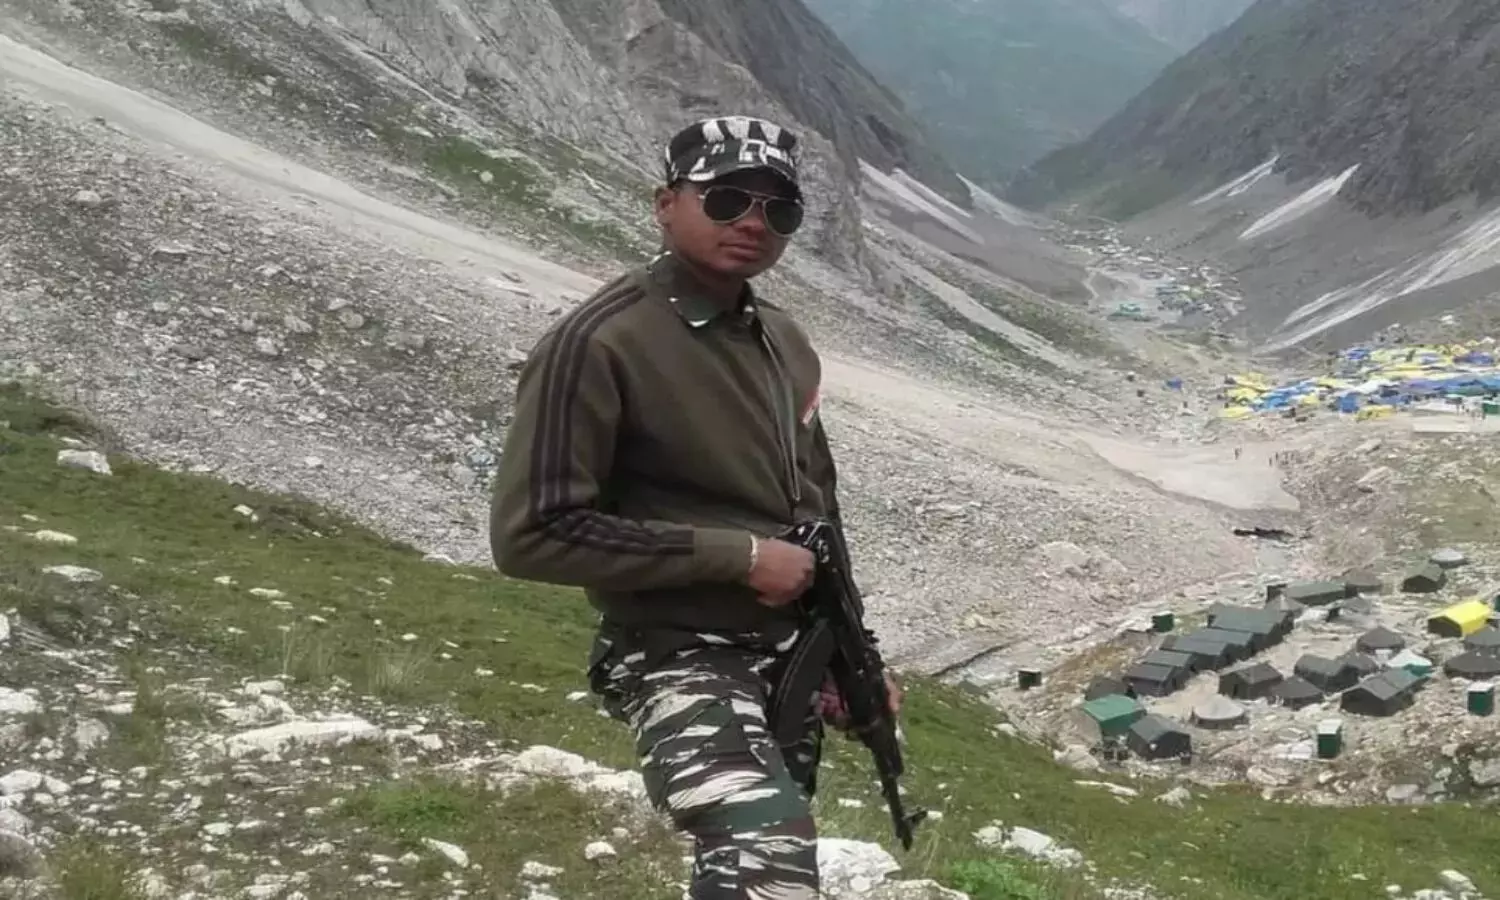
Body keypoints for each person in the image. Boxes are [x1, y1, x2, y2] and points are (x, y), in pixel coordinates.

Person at [489, 115, 898, 899]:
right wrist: (738, 558)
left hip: (788, 656)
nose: (754, 222)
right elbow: (532, 533)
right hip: (674, 652)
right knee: (766, 851)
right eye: (727, 198)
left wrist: (854, 660)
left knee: (762, 857)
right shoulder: (600, 342)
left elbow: (817, 507)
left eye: (779, 208)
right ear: (665, 204)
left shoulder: (784, 341)